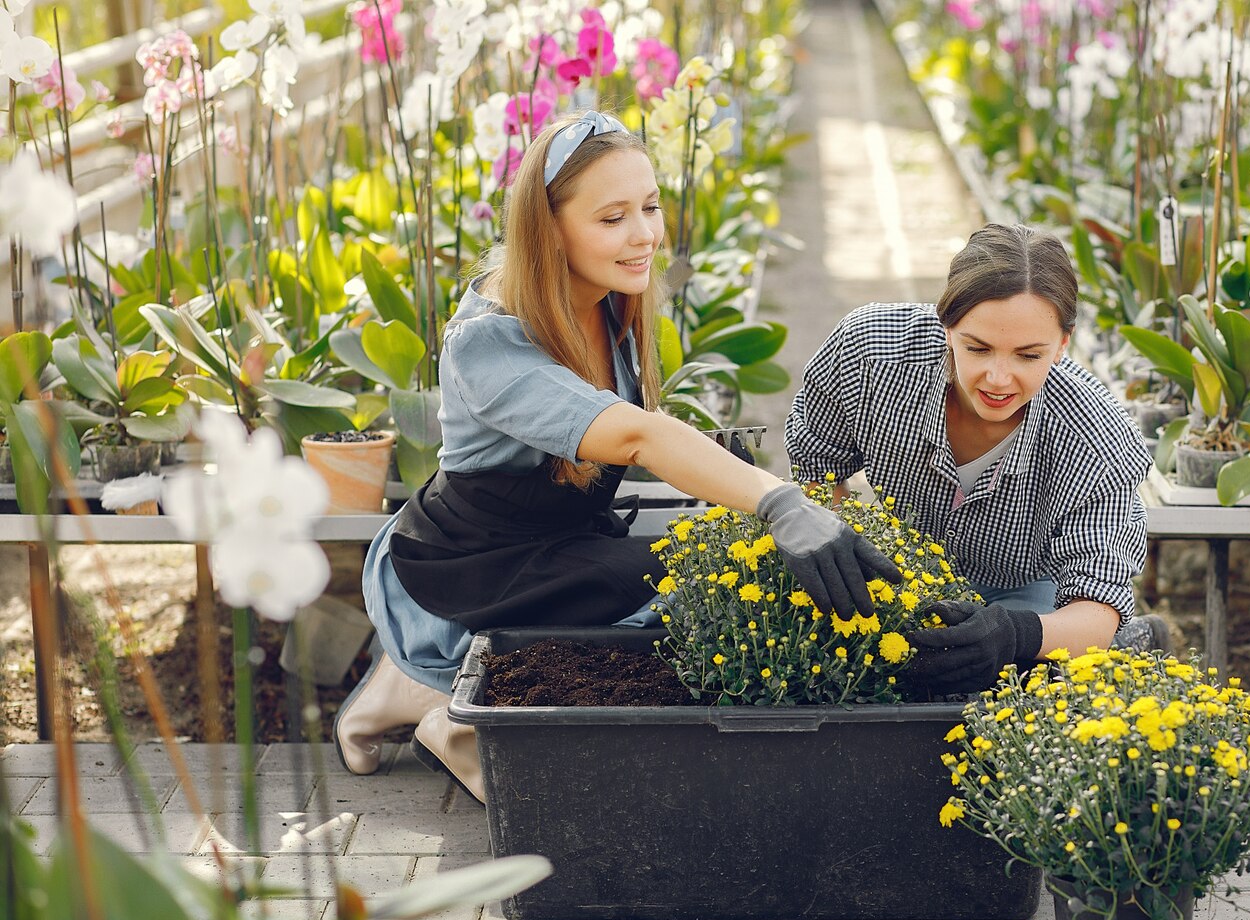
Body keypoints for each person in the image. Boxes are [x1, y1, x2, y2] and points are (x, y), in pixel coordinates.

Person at [335, 111, 899, 801]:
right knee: (690, 606)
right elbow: (636, 436)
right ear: (550, 229)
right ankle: (443, 708)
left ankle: (425, 690)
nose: (645, 235)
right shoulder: (490, 341)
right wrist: (779, 500)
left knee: (715, 576)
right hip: (474, 565)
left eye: (651, 207)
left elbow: (639, 429)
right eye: (612, 217)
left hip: (561, 544)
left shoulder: (606, 297)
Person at [784, 223, 1165, 697]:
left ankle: (1132, 641)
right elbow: (818, 474)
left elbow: (1096, 608)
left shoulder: (1094, 435)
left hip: (1024, 592)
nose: (999, 378)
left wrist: (1015, 635)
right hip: (898, 572)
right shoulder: (868, 354)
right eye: (977, 348)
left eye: (1029, 355)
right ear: (947, 325)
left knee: (1028, 692)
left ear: (1063, 344)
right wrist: (844, 561)